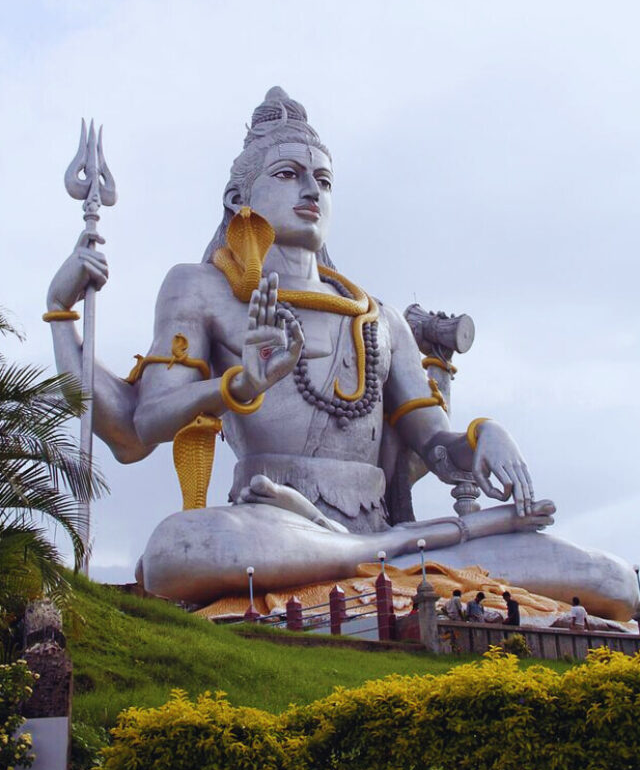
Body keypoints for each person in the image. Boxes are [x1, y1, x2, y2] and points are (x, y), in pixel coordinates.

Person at [42, 87, 638, 616]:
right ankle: (387, 558)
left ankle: (380, 553)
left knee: (607, 578)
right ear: (237, 196)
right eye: (288, 174)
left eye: (322, 181)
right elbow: (135, 429)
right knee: (180, 550)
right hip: (273, 524)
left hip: (379, 531)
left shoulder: (376, 317)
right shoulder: (201, 289)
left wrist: (485, 437)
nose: (309, 191)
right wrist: (64, 314)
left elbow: (439, 447)